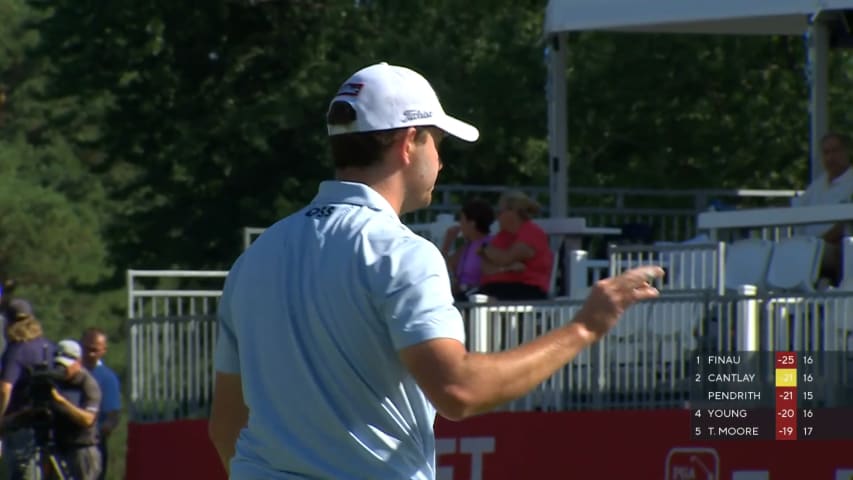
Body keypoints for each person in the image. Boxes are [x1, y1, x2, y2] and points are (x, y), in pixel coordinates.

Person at [208, 61, 663, 479]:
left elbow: (225, 426)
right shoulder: (401, 252)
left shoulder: (254, 259)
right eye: (438, 143)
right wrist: (585, 328)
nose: (441, 162)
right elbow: (458, 391)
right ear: (410, 143)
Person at [0, 308, 56, 480]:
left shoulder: (16, 350)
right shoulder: (49, 347)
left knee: (21, 471)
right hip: (50, 420)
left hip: (21, 421)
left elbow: (5, 389)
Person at [791, 132, 853, 284]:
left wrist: (817, 242)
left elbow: (844, 226)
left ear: (847, 152)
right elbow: (796, 213)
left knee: (803, 254)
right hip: (809, 246)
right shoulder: (817, 186)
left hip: (838, 248)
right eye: (826, 152)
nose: (830, 157)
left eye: (835, 151)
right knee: (781, 253)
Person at [476, 190, 554, 300]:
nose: (497, 217)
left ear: (512, 212)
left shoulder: (532, 233)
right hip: (496, 289)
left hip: (527, 290)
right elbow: (485, 268)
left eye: (500, 212)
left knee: (481, 301)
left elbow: (505, 258)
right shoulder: (502, 236)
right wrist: (507, 268)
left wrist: (485, 249)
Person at [48, 339, 102, 480]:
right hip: (59, 446)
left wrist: (61, 401)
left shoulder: (88, 384)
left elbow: (88, 419)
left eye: (66, 365)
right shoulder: (54, 381)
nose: (62, 370)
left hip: (82, 449)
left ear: (78, 362)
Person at [81, 327, 121, 480]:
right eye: (86, 349)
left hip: (93, 443)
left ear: (104, 350)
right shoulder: (71, 373)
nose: (90, 354)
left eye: (95, 350)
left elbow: (113, 413)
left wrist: (105, 429)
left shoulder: (107, 378)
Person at [439, 198, 495, 301]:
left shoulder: (490, 244)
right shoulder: (467, 247)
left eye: (462, 220)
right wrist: (448, 243)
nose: (460, 224)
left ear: (472, 223)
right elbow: (443, 266)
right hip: (462, 295)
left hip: (476, 296)